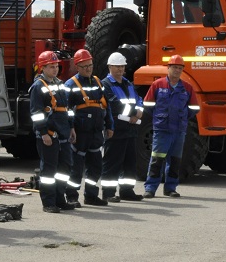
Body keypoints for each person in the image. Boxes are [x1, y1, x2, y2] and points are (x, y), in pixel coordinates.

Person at [142, 54, 200, 198]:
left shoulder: (187, 88)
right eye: (174, 67)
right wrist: (159, 118)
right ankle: (150, 188)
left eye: (180, 68)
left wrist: (183, 119)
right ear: (168, 68)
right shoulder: (158, 85)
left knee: (174, 161)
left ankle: (170, 188)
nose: (177, 70)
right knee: (157, 159)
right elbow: (148, 105)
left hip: (179, 130)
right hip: (162, 129)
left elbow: (194, 108)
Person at [29, 50, 78, 213]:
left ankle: (60, 199)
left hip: (63, 133)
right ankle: (48, 202)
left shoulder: (60, 84)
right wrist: (43, 133)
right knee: (49, 171)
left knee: (64, 169)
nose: (55, 69)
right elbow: (36, 113)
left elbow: (67, 109)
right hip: (49, 135)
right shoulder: (38, 87)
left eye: (56, 66)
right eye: (51, 67)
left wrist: (71, 127)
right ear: (42, 68)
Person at [64, 49, 113, 207]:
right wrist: (71, 129)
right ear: (77, 66)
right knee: (76, 168)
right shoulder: (70, 84)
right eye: (84, 66)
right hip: (80, 133)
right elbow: (66, 110)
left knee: (95, 167)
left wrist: (110, 125)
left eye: (90, 65)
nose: (88, 69)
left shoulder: (98, 82)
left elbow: (106, 106)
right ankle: (71, 196)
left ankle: (91, 195)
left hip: (96, 132)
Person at [99, 52, 144, 202]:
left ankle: (127, 190)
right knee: (112, 162)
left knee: (130, 162)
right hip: (116, 129)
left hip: (130, 129)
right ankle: (108, 192)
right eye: (117, 66)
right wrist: (133, 112)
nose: (120, 69)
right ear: (110, 67)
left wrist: (139, 112)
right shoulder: (106, 84)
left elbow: (138, 100)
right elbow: (114, 105)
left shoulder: (127, 83)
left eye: (122, 66)